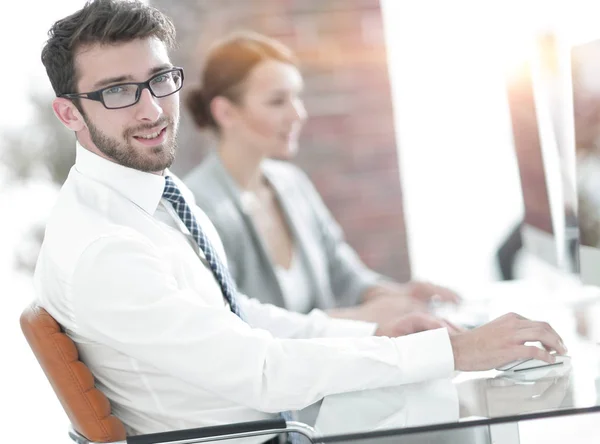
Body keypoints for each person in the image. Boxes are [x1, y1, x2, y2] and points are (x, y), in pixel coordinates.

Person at [34, 1, 566, 442]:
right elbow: (260, 372)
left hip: (273, 420)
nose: (151, 110)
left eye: (159, 80)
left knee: (464, 407)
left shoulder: (159, 194)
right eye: (118, 91)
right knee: (464, 413)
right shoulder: (105, 246)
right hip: (264, 431)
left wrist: (376, 329)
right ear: (69, 113)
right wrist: (452, 349)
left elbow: (239, 314)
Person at [183, 32, 459, 325]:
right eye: (277, 101)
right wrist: (357, 318)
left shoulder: (292, 183)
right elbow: (235, 321)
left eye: (296, 97)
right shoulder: (199, 206)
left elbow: (342, 270)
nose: (298, 114)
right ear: (225, 112)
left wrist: (394, 296)